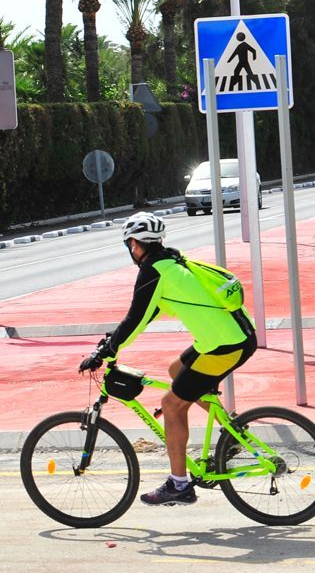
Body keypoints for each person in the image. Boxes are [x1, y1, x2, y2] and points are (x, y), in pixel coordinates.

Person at [78, 212, 257, 506]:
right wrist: (113, 340)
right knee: (177, 370)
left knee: (171, 405)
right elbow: (148, 315)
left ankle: (179, 485)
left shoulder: (153, 272)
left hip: (225, 345)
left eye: (129, 245)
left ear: (134, 244)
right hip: (233, 335)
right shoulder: (171, 262)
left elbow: (136, 318)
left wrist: (106, 352)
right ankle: (232, 432)